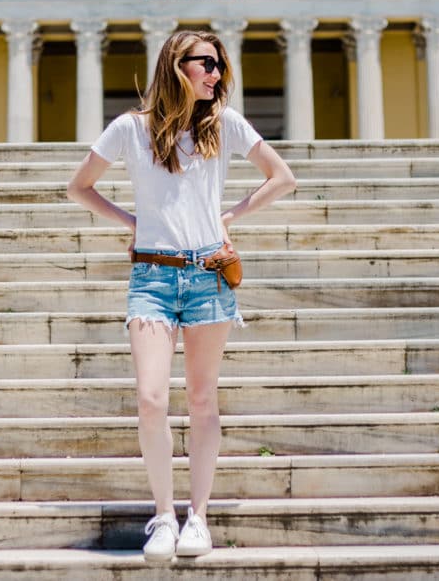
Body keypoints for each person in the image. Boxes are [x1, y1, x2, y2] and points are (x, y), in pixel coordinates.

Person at [66, 30, 297, 562]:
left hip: (208, 276)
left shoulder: (226, 126)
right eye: (206, 63)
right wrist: (131, 221)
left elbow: (282, 177)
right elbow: (79, 186)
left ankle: (199, 516)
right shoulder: (131, 129)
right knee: (150, 400)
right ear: (177, 64)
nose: (216, 73)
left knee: (201, 400)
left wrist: (228, 215)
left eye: (219, 65)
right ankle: (164, 514)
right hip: (151, 277)